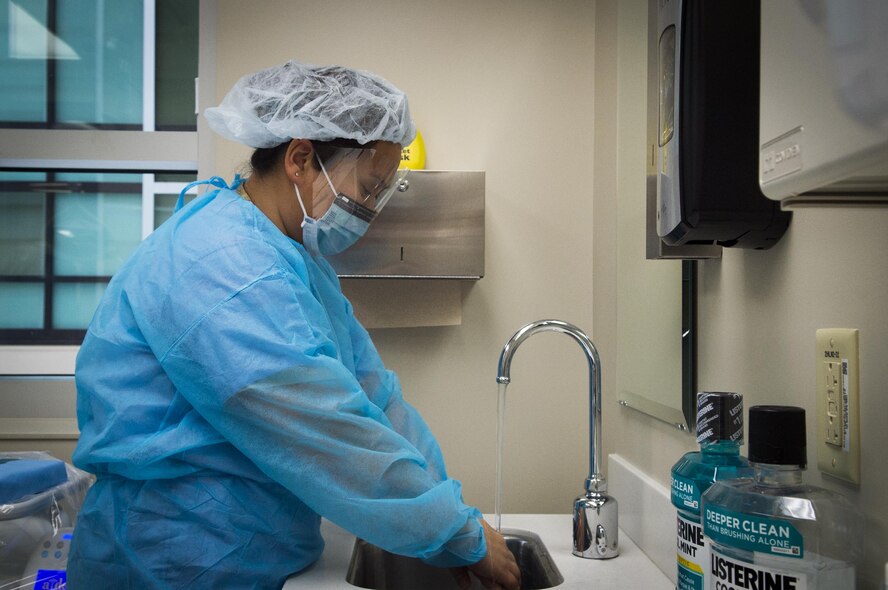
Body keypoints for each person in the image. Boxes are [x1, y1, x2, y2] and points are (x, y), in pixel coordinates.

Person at [67, 60, 520, 590]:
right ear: (300, 158)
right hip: (174, 560)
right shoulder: (221, 262)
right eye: (369, 188)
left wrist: (452, 508)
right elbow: (323, 427)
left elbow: (375, 400)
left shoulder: (296, 263)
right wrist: (452, 532)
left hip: (253, 555)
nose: (371, 209)